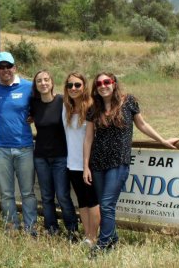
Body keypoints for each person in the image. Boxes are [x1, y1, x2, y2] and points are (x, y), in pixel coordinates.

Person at [83, 72, 179, 255]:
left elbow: (142, 125)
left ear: (114, 83)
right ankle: (112, 239)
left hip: (118, 162)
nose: (103, 86)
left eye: (107, 82)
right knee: (105, 205)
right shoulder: (93, 108)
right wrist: (86, 166)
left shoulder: (128, 102)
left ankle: (103, 245)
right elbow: (88, 139)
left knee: (106, 204)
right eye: (99, 83)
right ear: (96, 88)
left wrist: (163, 140)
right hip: (97, 163)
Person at [0, 52, 37, 235]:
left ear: (15, 67)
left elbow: (42, 105)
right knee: (6, 193)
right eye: (1, 67)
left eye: (9, 66)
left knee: (27, 192)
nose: (5, 70)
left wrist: (34, 115)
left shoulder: (29, 87)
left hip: (24, 147)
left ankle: (31, 229)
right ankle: (12, 228)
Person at [30, 70, 78, 239]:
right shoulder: (34, 104)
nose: (43, 83)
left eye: (46, 80)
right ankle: (51, 229)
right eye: (39, 81)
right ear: (35, 85)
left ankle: (72, 230)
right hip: (41, 157)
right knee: (46, 196)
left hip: (60, 156)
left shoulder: (62, 101)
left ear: (51, 82)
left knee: (63, 195)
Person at [62, 72, 100, 246]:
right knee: (82, 202)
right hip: (72, 163)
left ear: (84, 86)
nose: (73, 88)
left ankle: (94, 236)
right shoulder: (66, 108)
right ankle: (87, 235)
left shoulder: (92, 107)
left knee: (93, 201)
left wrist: (88, 165)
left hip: (89, 164)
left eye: (77, 85)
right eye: (70, 85)